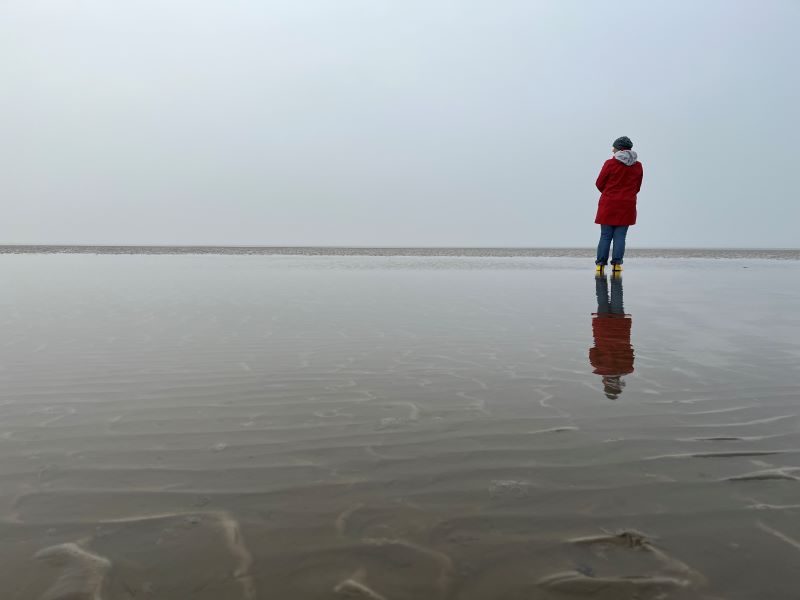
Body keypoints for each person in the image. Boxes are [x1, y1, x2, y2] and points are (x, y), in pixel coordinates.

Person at [594, 136, 643, 274]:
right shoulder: (638, 166)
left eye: (614, 147)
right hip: (627, 204)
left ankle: (600, 265)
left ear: (619, 148)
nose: (612, 149)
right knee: (620, 236)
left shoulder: (610, 163)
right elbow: (637, 187)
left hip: (609, 203)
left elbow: (599, 183)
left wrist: (610, 193)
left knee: (605, 235)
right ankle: (617, 264)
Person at [589, 275, 634, 399]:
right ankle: (601, 278)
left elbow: (630, 351)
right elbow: (592, 351)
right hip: (602, 329)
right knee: (602, 299)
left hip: (620, 328)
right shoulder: (598, 367)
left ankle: (615, 277)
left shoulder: (627, 368)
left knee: (617, 298)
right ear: (605, 383)